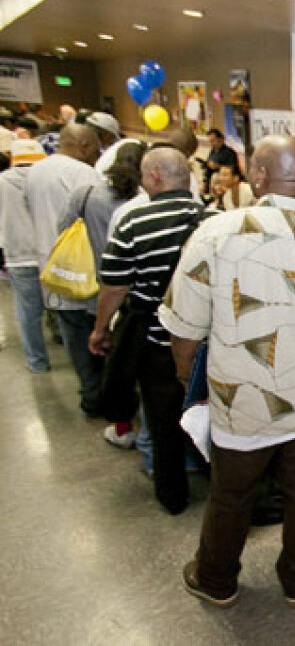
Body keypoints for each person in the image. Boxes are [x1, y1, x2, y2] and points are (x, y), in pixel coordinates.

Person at [159, 134, 295, 609]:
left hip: (242, 401)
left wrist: (184, 378)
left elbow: (185, 329)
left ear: (259, 175)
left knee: (231, 494)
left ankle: (217, 580)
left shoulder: (215, 234)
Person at [90, 146, 209, 515]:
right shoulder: (214, 218)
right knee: (212, 414)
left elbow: (114, 287)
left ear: (155, 176)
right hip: (207, 340)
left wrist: (100, 330)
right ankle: (223, 487)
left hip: (158, 341)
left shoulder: (133, 222)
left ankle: (173, 496)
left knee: (162, 420)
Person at [56, 140, 149, 447]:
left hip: (91, 288)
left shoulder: (86, 195)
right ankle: (139, 428)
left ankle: (105, 414)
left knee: (102, 362)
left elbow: (64, 229)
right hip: (134, 299)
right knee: (132, 369)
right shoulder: (145, 202)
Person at [26, 124, 102, 411]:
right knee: (95, 337)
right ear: (83, 145)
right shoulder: (82, 173)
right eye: (94, 148)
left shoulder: (36, 170)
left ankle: (88, 393)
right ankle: (100, 396)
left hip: (53, 267)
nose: (97, 155)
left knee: (73, 336)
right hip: (84, 270)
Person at [0, 139, 50, 372]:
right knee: (64, 307)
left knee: (28, 312)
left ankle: (37, 362)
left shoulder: (2, 181)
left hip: (18, 254)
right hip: (51, 253)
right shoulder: (47, 178)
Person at [202, 128, 239, 195]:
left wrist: (218, 166)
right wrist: (205, 182)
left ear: (220, 140)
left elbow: (233, 169)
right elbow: (208, 170)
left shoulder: (229, 153)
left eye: (213, 141)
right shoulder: (212, 152)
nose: (211, 143)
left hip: (225, 180)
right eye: (210, 141)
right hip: (213, 181)